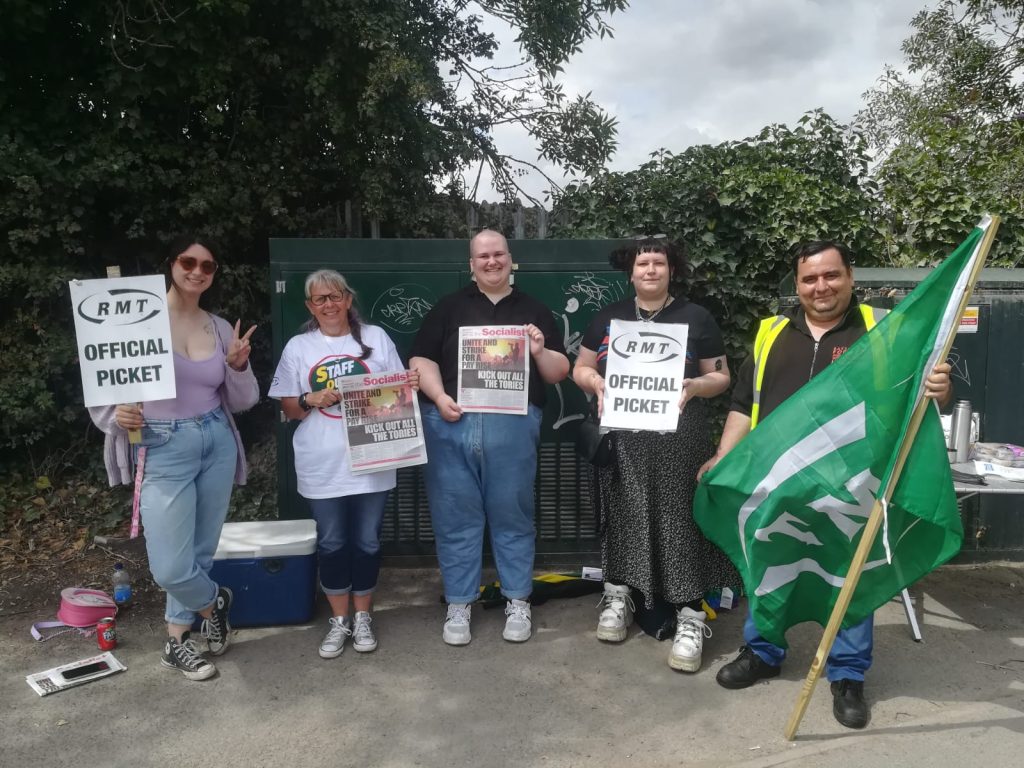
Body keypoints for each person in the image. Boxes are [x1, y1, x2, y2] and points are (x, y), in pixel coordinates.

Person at [700, 240, 953, 728]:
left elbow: (919, 396)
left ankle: (848, 674)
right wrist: (723, 455)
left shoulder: (883, 330)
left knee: (846, 573)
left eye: (831, 275)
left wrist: (939, 388)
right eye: (810, 278)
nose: (821, 287)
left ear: (850, 277)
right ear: (796, 284)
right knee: (769, 564)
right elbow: (741, 403)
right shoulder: (771, 332)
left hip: (851, 483)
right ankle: (763, 651)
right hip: (777, 479)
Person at [89, 236, 259, 681]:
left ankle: (177, 643)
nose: (197, 271)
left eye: (208, 265)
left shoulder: (220, 328)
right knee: (169, 564)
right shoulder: (133, 322)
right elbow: (105, 383)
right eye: (188, 261)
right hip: (162, 444)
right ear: (172, 265)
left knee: (200, 550)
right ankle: (214, 603)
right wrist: (119, 414)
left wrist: (238, 366)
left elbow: (243, 401)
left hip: (215, 439)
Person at [573, 237, 739, 672]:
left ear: (671, 270)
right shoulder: (609, 317)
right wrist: (596, 383)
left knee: (678, 518)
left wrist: (695, 386)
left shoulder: (696, 318)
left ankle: (688, 614)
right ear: (631, 272)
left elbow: (721, 376)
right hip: (623, 437)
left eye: (658, 263)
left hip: (678, 439)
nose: (650, 269)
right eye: (642, 263)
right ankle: (619, 595)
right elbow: (581, 367)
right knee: (624, 512)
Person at [409, 229, 569, 645]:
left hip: (512, 427)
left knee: (512, 515)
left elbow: (558, 372)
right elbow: (420, 358)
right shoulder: (448, 307)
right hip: (451, 423)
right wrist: (440, 397)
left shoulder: (534, 309)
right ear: (471, 264)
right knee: (454, 518)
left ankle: (518, 599)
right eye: (483, 256)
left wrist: (537, 350)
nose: (492, 261)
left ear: (511, 259)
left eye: (498, 254)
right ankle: (459, 603)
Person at [269, 270, 417, 659]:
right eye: (320, 299)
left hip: (373, 459)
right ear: (310, 307)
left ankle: (363, 615)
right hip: (322, 463)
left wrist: (408, 386)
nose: (329, 304)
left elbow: (396, 395)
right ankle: (339, 620)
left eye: (335, 296)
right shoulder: (299, 347)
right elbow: (287, 407)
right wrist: (308, 399)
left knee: (367, 542)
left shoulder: (377, 338)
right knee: (332, 542)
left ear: (348, 299)